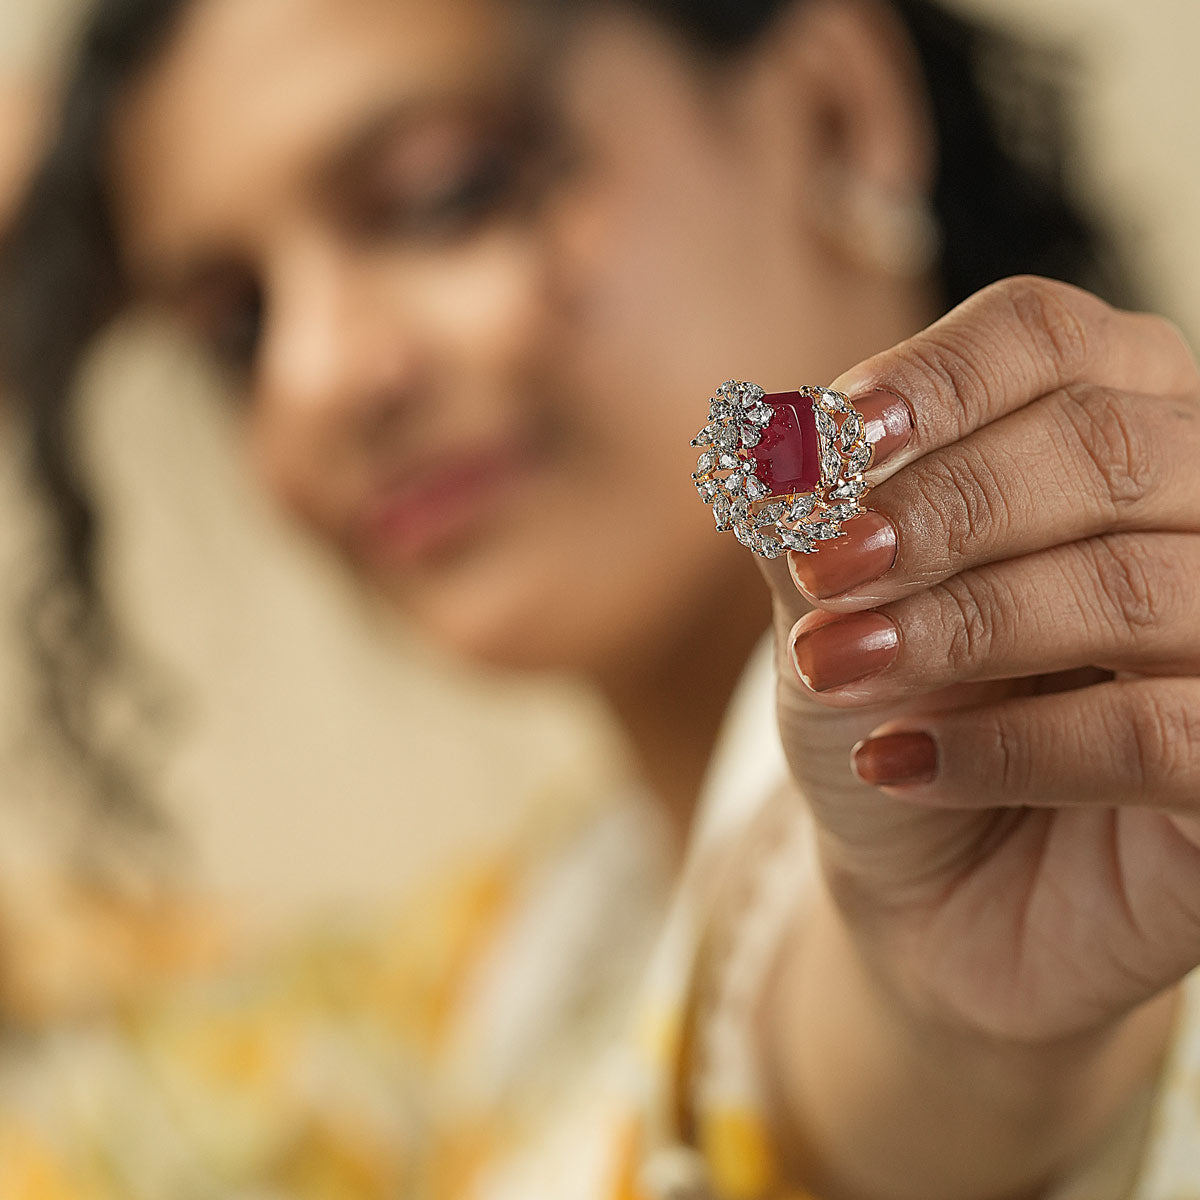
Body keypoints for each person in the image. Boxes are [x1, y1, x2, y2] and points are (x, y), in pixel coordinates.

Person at [2, 0, 1200, 1196]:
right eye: (238, 326)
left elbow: (901, 1029)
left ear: (837, 114)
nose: (312, 377)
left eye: (445, 193)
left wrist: (960, 1042)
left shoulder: (1126, 826)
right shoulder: (496, 987)